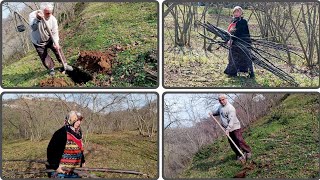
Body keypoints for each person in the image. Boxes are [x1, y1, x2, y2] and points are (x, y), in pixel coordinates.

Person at [29, 2, 73, 76]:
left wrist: (56, 43)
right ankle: (51, 68)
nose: (49, 15)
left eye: (50, 12)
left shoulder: (53, 20)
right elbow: (33, 28)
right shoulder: (33, 15)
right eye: (47, 13)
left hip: (49, 38)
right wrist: (38, 19)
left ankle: (65, 65)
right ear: (42, 11)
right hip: (38, 41)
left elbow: (55, 32)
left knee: (57, 49)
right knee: (44, 55)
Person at [209, 94, 252, 162]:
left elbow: (231, 121)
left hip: (235, 127)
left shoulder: (230, 108)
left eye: (223, 99)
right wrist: (212, 113)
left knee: (239, 140)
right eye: (220, 100)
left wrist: (228, 129)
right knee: (232, 143)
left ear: (226, 99)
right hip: (227, 129)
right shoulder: (220, 107)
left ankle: (248, 151)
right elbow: (218, 112)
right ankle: (239, 155)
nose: (221, 101)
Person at [47, 111, 85, 178]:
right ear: (70, 121)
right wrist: (56, 167)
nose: (79, 123)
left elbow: (80, 150)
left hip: (75, 172)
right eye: (76, 120)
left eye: (80, 120)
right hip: (62, 173)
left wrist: (82, 162)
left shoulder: (78, 134)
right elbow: (51, 150)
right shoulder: (61, 133)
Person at [224, 6, 254, 78]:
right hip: (235, 43)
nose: (236, 13)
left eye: (238, 12)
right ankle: (232, 73)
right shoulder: (233, 21)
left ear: (241, 13)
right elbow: (230, 31)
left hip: (243, 42)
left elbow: (238, 31)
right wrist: (228, 39)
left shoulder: (243, 21)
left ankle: (250, 73)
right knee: (233, 57)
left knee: (246, 58)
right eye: (235, 12)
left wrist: (232, 39)